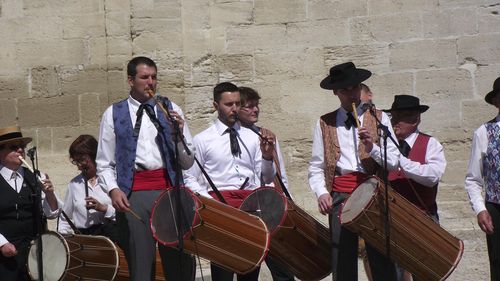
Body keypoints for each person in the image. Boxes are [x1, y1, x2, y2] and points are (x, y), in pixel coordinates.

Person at [96, 56, 195, 281]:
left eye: (153, 77)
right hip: (134, 195)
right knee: (141, 266)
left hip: (170, 193)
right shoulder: (113, 113)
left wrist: (177, 134)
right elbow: (104, 162)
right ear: (131, 80)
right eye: (144, 77)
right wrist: (113, 190)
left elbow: (188, 162)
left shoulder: (171, 108)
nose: (150, 82)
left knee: (179, 264)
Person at [308, 62, 400, 281]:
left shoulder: (379, 118)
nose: (350, 93)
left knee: (380, 255)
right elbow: (316, 165)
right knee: (342, 257)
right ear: (335, 92)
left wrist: (372, 148)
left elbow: (394, 161)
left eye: (354, 87)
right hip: (341, 194)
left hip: (373, 193)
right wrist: (321, 192)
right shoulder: (325, 122)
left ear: (360, 87)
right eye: (344, 89)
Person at [184, 82, 276, 281]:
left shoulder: (253, 137)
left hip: (251, 208)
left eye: (237, 103)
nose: (234, 108)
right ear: (215, 105)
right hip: (220, 209)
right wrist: (210, 204)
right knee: (223, 271)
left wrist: (268, 157)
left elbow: (266, 177)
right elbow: (190, 177)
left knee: (250, 270)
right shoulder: (202, 140)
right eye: (228, 104)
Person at [384, 95, 446, 281]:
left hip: (423, 217)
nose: (395, 122)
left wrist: (401, 163)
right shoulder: (386, 146)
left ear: (415, 119)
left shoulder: (431, 144)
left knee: (426, 273)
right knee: (393, 274)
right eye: (393, 117)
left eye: (400, 117)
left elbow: (432, 176)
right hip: (393, 219)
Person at [238, 86, 295, 281]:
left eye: (256, 105)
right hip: (249, 207)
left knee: (282, 268)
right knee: (249, 267)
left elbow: (280, 173)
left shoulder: (266, 134)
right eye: (249, 106)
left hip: (272, 207)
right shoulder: (234, 137)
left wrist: (288, 200)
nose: (255, 110)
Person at [0, 125, 62, 281]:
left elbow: (52, 213)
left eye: (22, 146)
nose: (20, 151)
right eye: (14, 147)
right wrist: (2, 244)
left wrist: (50, 194)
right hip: (5, 254)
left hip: (35, 252)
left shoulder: (37, 176)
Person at [465, 77, 500, 281]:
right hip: (497, 206)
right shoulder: (484, 132)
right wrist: (480, 209)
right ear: (496, 101)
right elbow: (473, 178)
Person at [58, 134, 120, 244]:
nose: (79, 166)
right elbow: (65, 218)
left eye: (82, 160)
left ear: (94, 155)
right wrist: (64, 240)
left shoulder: (111, 179)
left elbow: (125, 213)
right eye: (76, 161)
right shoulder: (74, 184)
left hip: (111, 238)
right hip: (84, 240)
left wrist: (104, 208)